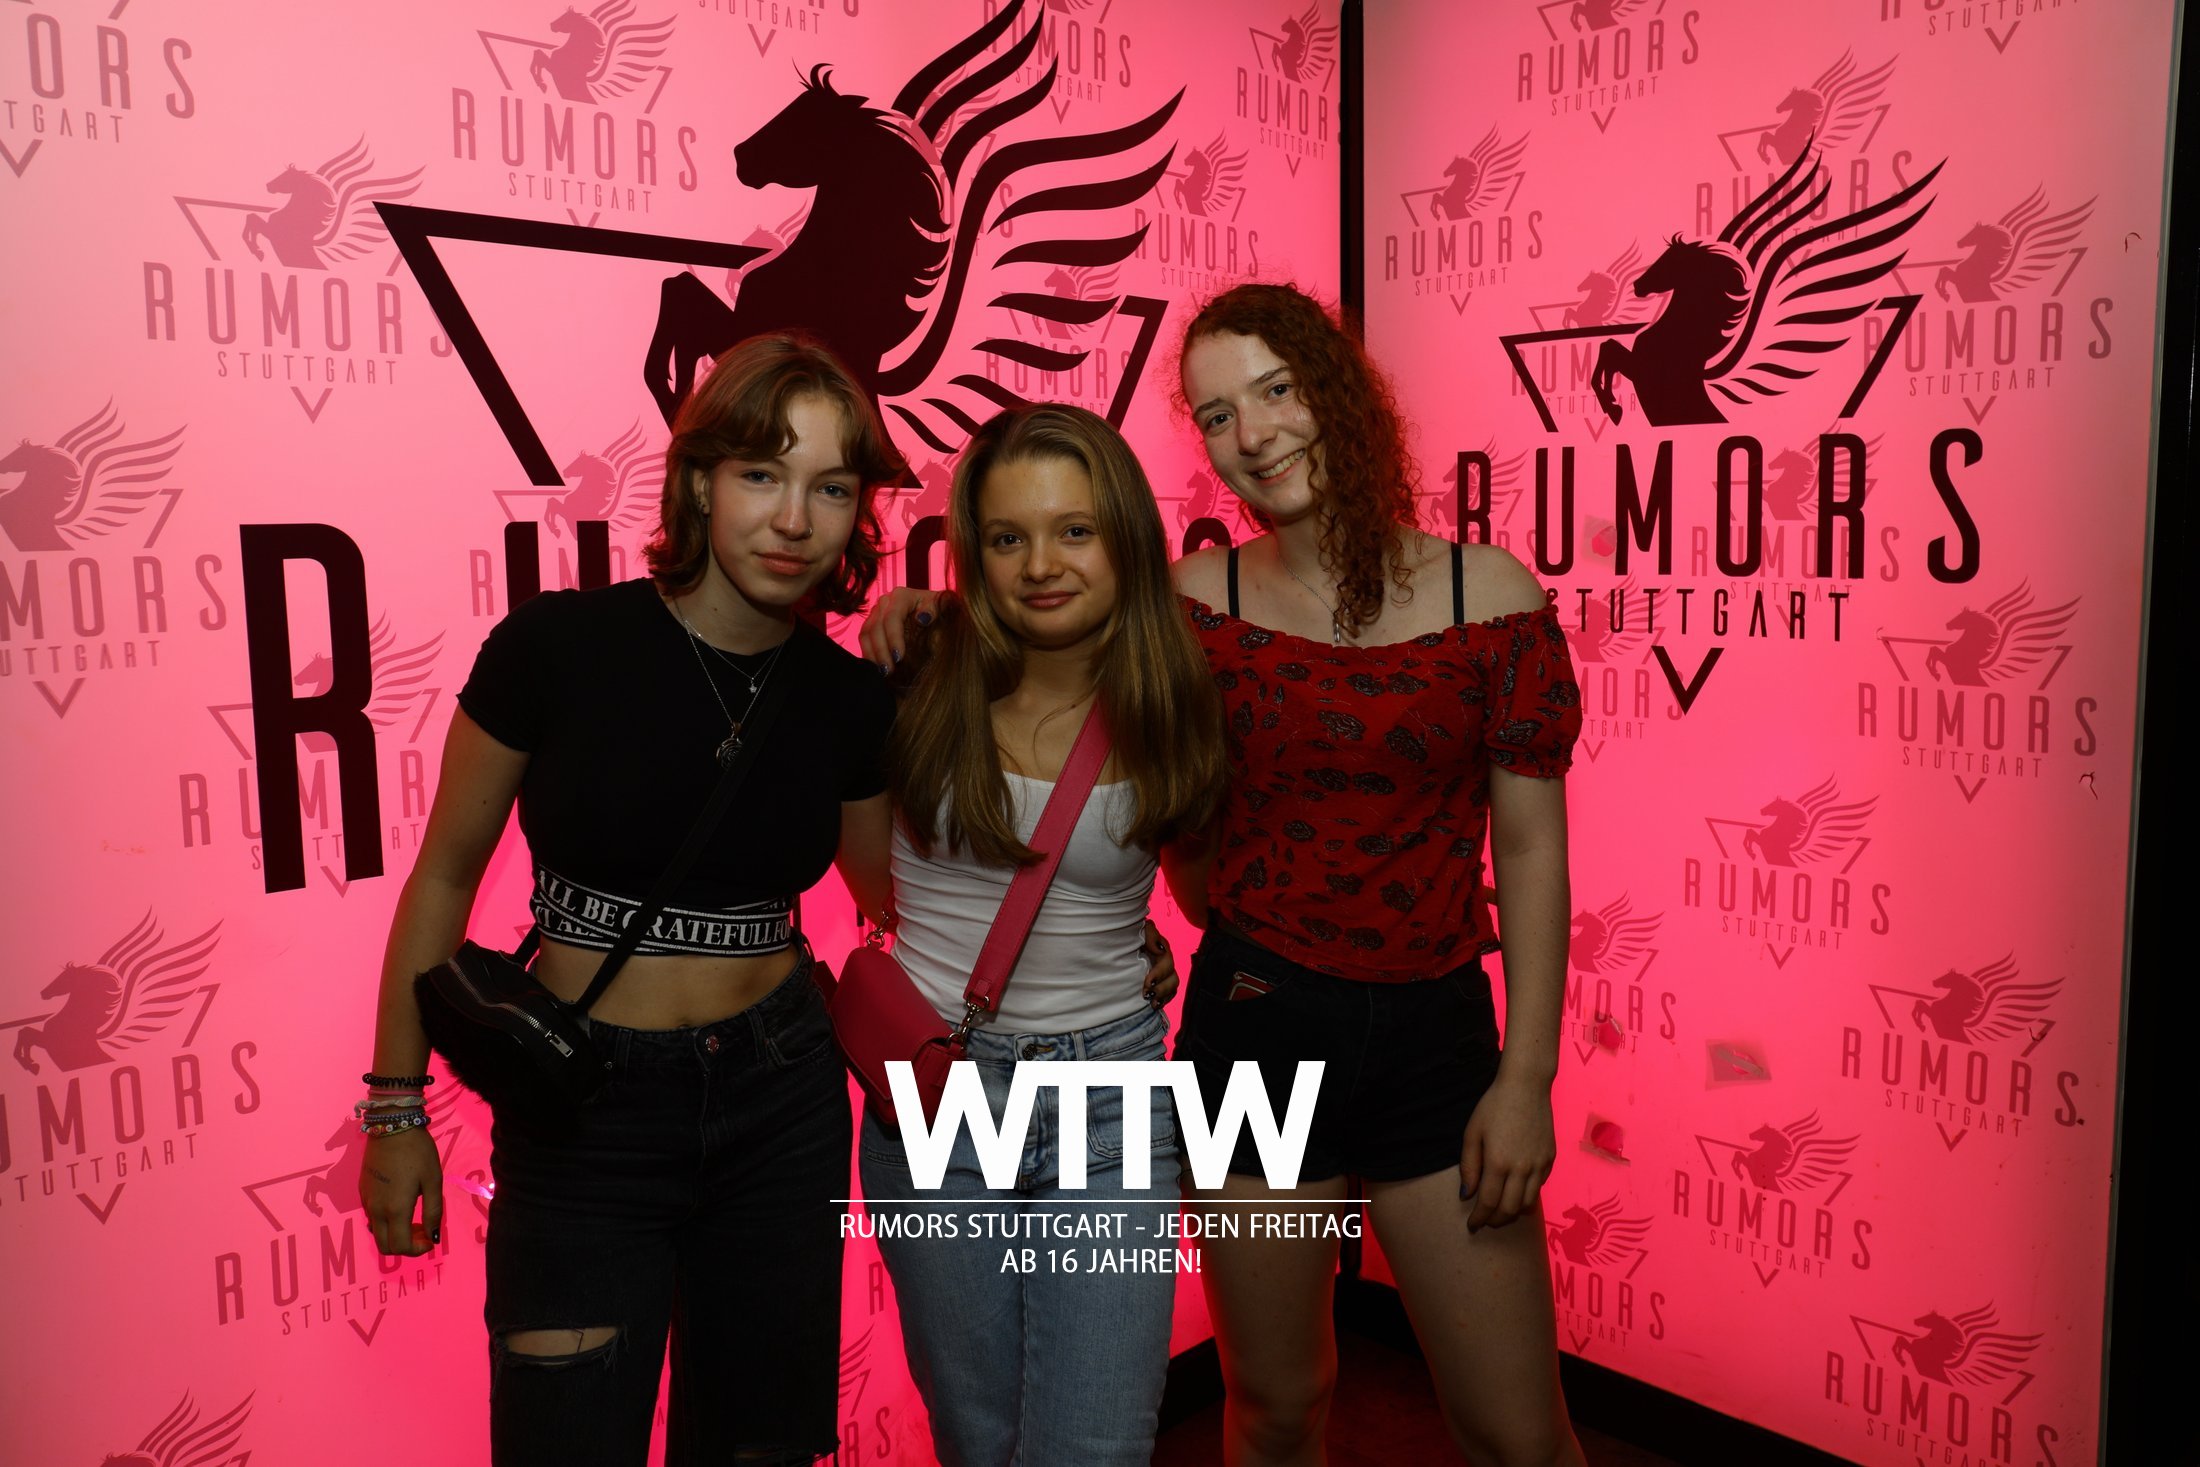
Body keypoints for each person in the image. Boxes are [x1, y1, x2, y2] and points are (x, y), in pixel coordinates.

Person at [863, 283, 1587, 1467]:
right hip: (1257, 1032)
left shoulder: (1489, 596)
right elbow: (1039, 614)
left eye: (1276, 389)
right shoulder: (1192, 607)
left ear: (1338, 394)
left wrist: (1528, 1076)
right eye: (1214, 414)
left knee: (1518, 1434)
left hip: (1438, 1044)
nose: (1252, 433)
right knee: (1278, 1409)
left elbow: (1533, 849)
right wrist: (919, 613)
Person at [360, 332, 902, 1467]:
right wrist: (397, 1110)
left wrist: (956, 680)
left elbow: (897, 898)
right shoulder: (557, 648)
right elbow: (443, 879)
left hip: (781, 1101)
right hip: (584, 1115)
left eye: (831, 487)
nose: (793, 519)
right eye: (761, 474)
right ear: (699, 482)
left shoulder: (850, 699)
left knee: (758, 1449)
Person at [854, 404, 1229, 1467]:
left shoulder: (1177, 696)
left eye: (1074, 530)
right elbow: (869, 878)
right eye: (1008, 538)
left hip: (1110, 1094)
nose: (1041, 565)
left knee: (1097, 1444)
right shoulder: (917, 674)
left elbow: (1201, 896)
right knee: (978, 1439)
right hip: (936, 1094)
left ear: (1127, 536)